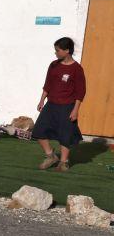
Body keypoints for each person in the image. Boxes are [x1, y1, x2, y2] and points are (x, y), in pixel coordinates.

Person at [32, 37, 86, 172]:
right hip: (51, 104)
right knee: (38, 131)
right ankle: (51, 156)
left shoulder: (77, 69)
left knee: (65, 135)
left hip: (67, 106)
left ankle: (63, 162)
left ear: (67, 51)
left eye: (58, 50)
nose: (55, 53)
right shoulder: (54, 65)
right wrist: (42, 100)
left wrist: (75, 110)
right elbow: (48, 84)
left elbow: (80, 92)